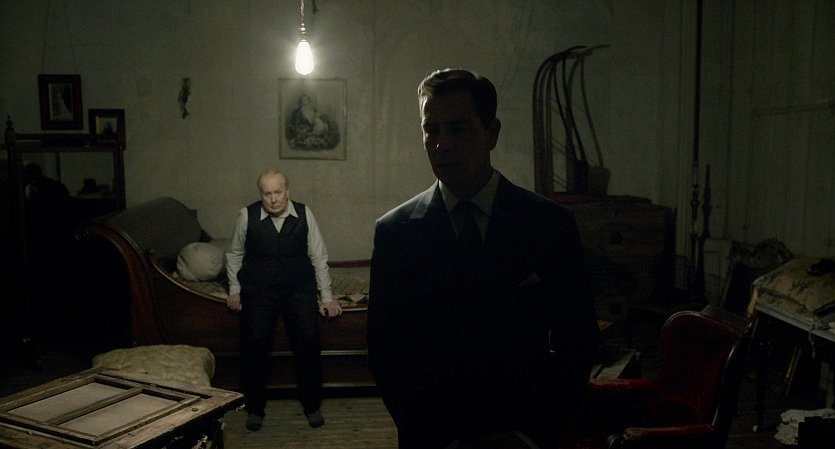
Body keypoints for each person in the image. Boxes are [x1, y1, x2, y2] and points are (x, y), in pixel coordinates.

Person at [367, 69, 599, 449]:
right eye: (431, 130)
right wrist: (435, 437)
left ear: (491, 133)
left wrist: (530, 435)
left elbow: (578, 339)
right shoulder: (396, 233)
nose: (442, 144)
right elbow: (386, 352)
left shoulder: (548, 225)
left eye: (458, 129)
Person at [226, 168, 342, 432]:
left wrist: (326, 297)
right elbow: (234, 255)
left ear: (287, 191)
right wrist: (234, 290)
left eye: (278, 192)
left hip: (298, 290)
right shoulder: (246, 215)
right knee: (254, 345)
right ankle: (255, 409)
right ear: (261, 194)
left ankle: (312, 406)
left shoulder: (304, 213)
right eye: (267, 194)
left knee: (308, 343)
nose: (273, 199)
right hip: (259, 291)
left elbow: (318, 257)